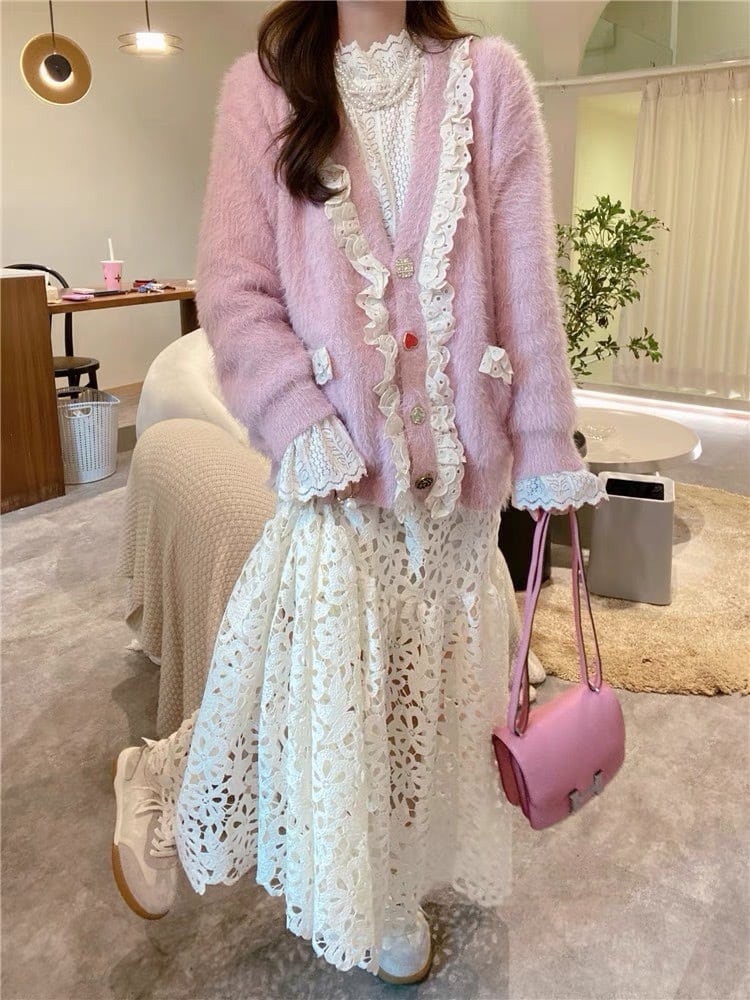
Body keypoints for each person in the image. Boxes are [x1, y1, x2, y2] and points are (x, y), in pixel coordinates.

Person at [111, 0, 605, 985]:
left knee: (424, 698)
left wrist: (546, 438)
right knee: (319, 688)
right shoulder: (264, 92)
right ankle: (163, 781)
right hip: (340, 475)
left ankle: (392, 884)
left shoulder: (491, 80)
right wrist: (299, 420)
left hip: (460, 484)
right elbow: (236, 289)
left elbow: (526, 282)